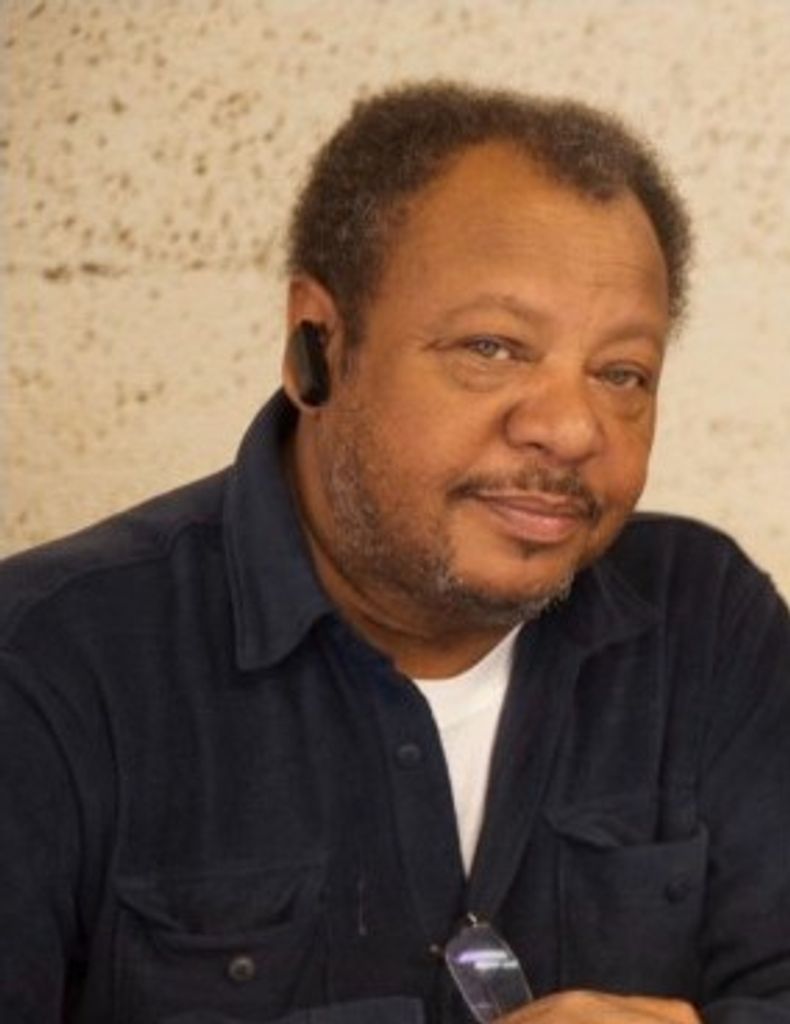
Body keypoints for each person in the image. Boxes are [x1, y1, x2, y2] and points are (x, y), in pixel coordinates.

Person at [0, 81, 788, 1024]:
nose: (573, 428)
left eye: (622, 373)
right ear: (317, 346)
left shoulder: (706, 624)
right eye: (492, 348)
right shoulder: (47, 671)